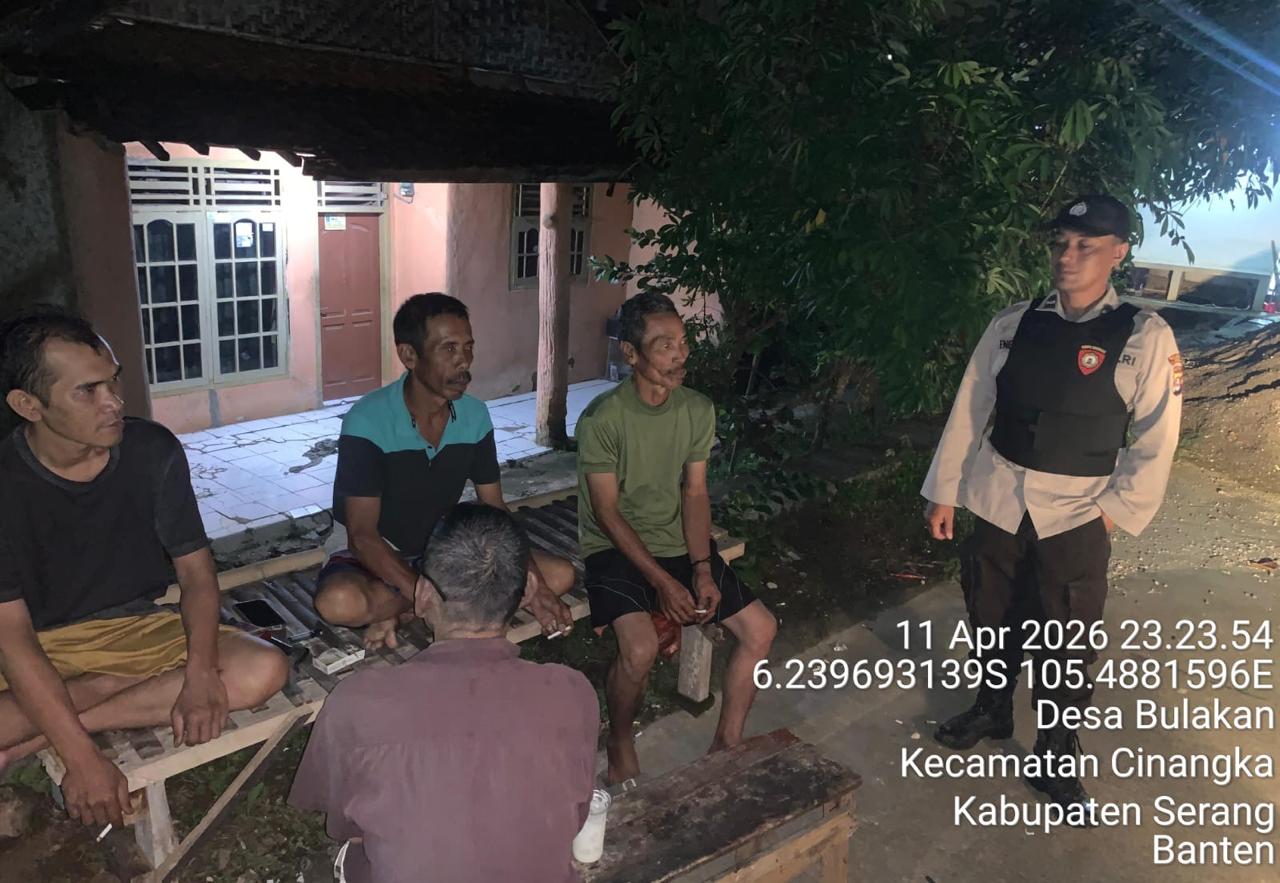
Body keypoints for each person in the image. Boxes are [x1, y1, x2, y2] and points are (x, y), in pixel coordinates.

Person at [921, 194, 1182, 820]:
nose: (1068, 256)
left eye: (1086, 245)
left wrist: (1114, 511)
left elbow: (1158, 436)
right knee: (990, 612)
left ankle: (1055, 751)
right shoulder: (1013, 324)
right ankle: (991, 709)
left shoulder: (1144, 336)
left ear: (1118, 252)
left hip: (1078, 510)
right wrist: (945, 488)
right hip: (999, 496)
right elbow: (971, 407)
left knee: (1065, 638)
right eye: (1061, 243)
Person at [0, 308, 288, 828]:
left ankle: (49, 728)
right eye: (87, 391)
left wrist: (200, 673)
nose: (114, 401)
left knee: (262, 669)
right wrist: (85, 761)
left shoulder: (151, 451)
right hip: (39, 647)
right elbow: (13, 637)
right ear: (28, 405)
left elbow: (196, 576)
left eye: (114, 381)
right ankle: (93, 694)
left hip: (137, 630)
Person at [290, 503, 599, 883]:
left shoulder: (356, 703)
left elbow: (345, 825)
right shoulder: (572, 693)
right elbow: (576, 816)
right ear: (528, 590)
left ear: (422, 595)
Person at [576, 292, 778, 787]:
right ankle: (620, 740)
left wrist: (702, 567)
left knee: (761, 629)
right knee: (639, 649)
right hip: (614, 547)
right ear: (631, 354)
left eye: (683, 342)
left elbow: (695, 493)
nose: (679, 354)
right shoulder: (603, 419)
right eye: (664, 345)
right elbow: (606, 512)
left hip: (676, 542)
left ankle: (726, 742)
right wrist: (664, 583)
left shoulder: (696, 409)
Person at [314, 293, 576, 649]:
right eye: (448, 349)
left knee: (558, 575)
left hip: (445, 551)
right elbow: (362, 538)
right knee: (339, 602)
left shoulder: (475, 416)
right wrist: (426, 597)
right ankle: (427, 607)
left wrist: (538, 585)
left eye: (468, 347)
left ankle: (401, 612)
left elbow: (496, 510)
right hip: (374, 556)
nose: (463, 361)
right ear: (409, 356)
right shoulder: (368, 421)